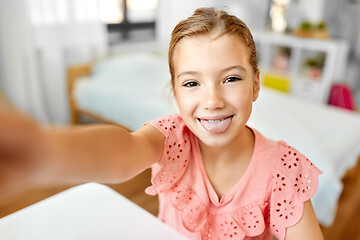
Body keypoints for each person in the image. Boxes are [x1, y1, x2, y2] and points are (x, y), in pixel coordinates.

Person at [0, 7, 323, 240]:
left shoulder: (284, 170)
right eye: (192, 83)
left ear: (255, 85)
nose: (212, 100)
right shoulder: (172, 137)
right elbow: (124, 151)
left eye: (231, 78)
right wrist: (44, 151)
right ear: (175, 93)